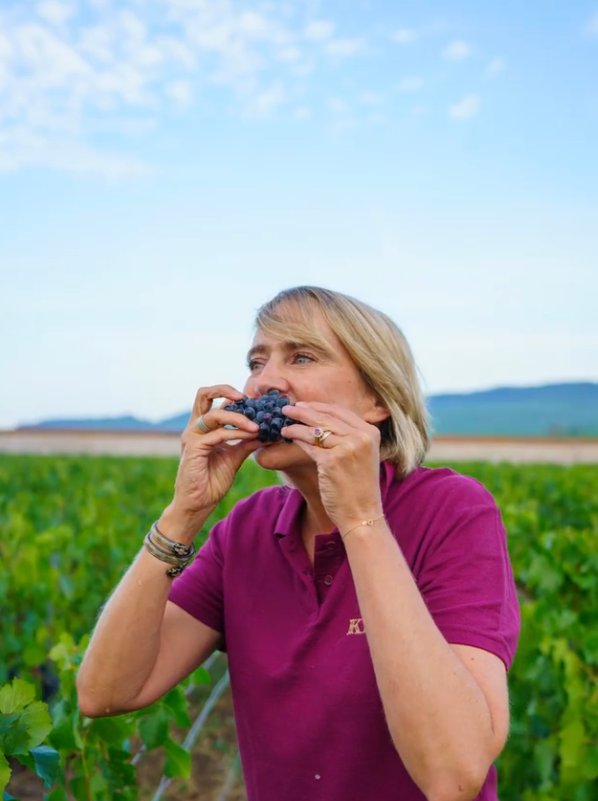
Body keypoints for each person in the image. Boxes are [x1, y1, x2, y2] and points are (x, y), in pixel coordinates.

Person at [76, 285, 520, 801]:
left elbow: (454, 777)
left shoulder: (452, 511)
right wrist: (185, 513)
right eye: (256, 361)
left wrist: (360, 520)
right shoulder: (245, 530)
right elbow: (105, 692)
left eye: (302, 356)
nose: (265, 382)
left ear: (377, 400)